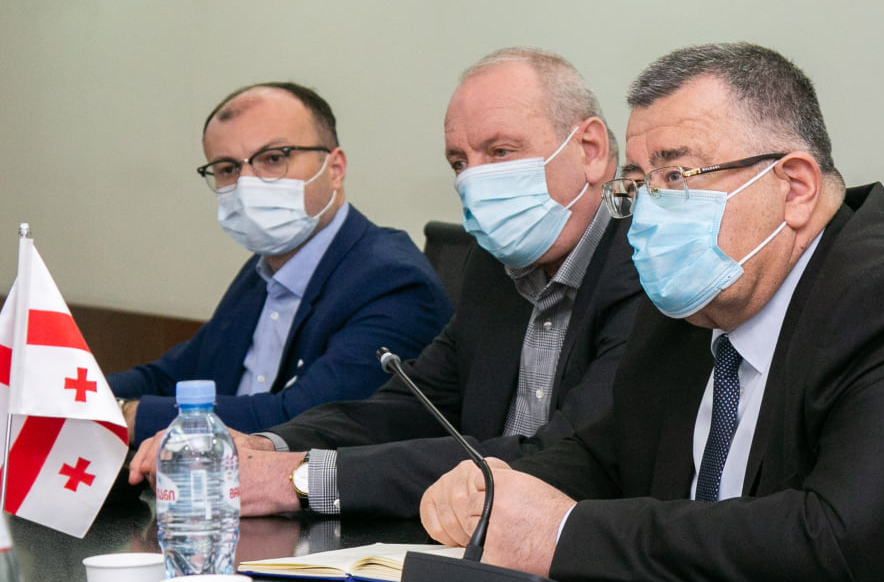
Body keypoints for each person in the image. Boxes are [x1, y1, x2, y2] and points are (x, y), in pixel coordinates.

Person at [418, 43, 884, 582]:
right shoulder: (697, 294)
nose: (648, 215)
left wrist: (564, 534)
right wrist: (500, 490)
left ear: (795, 187)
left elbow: (846, 542)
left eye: (677, 176)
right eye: (638, 185)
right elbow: (605, 455)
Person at [127, 49, 643, 517]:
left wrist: (298, 479)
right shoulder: (492, 267)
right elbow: (409, 407)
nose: (473, 181)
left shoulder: (642, 267)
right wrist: (267, 446)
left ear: (591, 150)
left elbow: (562, 457)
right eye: (459, 162)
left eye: (501, 152)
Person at [107, 82, 451, 441]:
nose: (246, 184)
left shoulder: (393, 282)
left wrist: (130, 416)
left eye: (273, 159)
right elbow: (173, 376)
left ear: (334, 168)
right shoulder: (264, 270)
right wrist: (83, 396)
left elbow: (303, 419)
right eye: (227, 168)